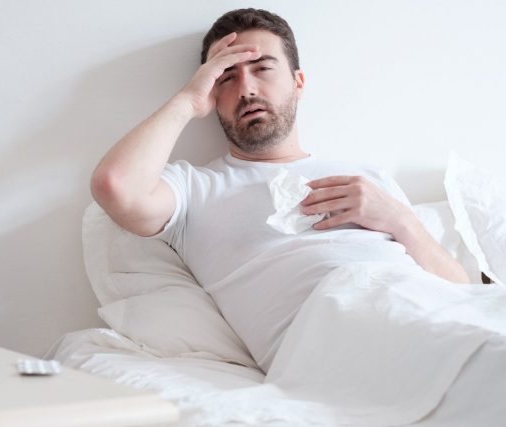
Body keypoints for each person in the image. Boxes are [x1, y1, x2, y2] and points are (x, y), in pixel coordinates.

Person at [90, 8, 470, 371]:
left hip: (430, 309)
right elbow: (116, 187)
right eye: (227, 77)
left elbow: (461, 291)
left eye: (262, 69)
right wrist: (189, 100)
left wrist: (401, 221)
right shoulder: (194, 188)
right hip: (339, 337)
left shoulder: (368, 177)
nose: (247, 89)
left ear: (298, 82)